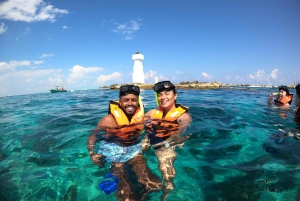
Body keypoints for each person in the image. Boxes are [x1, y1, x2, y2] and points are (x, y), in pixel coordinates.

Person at [87, 85, 162, 201]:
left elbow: (152, 130)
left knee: (154, 184)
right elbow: (93, 135)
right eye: (126, 100)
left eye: (133, 100)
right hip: (114, 152)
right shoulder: (108, 120)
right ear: (120, 102)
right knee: (126, 191)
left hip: (133, 150)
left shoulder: (142, 118)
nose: (130, 103)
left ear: (138, 102)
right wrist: (92, 153)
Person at [142, 81, 192, 200]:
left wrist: (163, 144)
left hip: (168, 143)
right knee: (136, 153)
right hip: (152, 138)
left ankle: (167, 191)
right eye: (160, 95)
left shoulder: (183, 117)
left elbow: (178, 135)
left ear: (175, 95)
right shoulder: (153, 112)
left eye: (167, 93)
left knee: (164, 165)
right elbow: (139, 123)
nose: (163, 97)